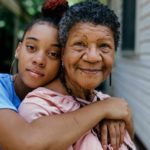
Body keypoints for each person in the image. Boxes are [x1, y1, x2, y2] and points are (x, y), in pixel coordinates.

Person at [0, 0, 131, 150]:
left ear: (63, 57)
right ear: (18, 49)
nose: (39, 60)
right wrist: (104, 108)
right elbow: (26, 142)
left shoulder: (79, 98)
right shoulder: (27, 101)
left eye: (53, 54)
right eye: (31, 47)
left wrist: (114, 116)